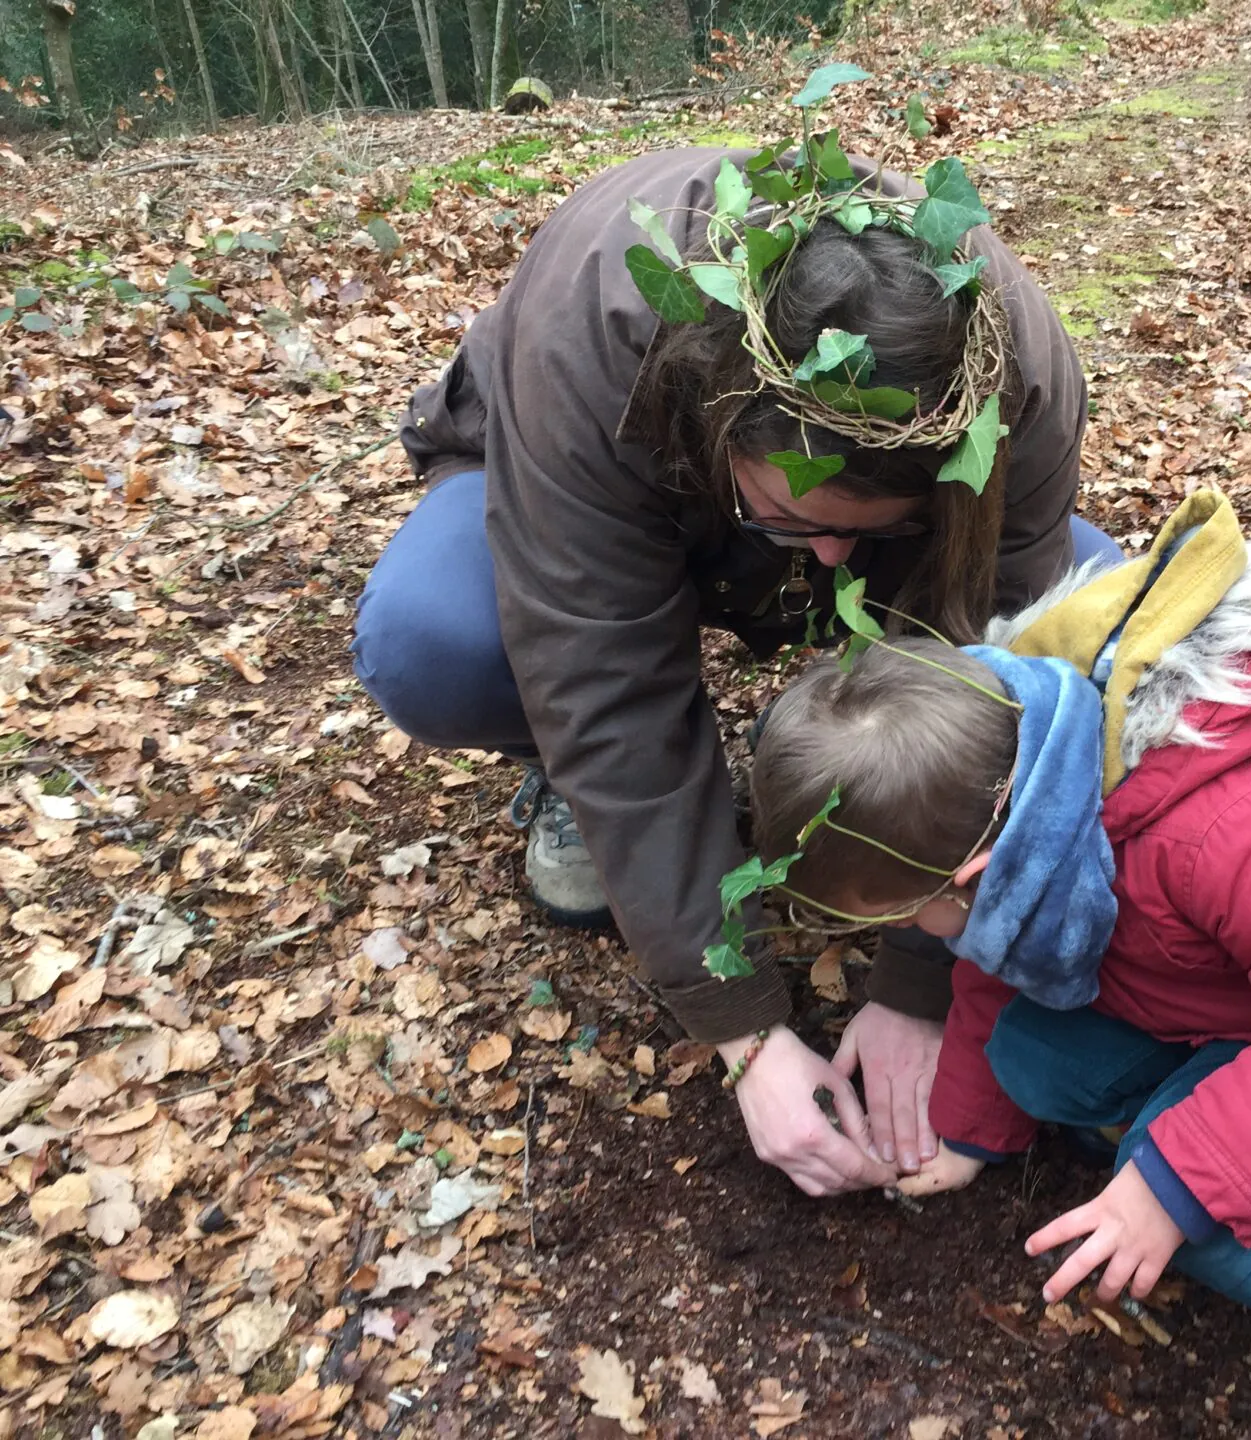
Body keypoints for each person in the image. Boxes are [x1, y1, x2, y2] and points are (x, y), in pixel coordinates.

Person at [350, 138, 1123, 1198]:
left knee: (1099, 613)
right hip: (579, 457)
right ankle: (571, 787)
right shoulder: (595, 343)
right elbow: (604, 681)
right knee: (435, 640)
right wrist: (747, 1034)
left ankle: (837, 744)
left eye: (869, 530)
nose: (838, 560)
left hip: (873, 499)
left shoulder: (1014, 373)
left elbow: (994, 657)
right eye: (799, 519)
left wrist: (923, 977)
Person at [747, 492, 1251, 1438]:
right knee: (1027, 1062)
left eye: (899, 912)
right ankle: (1186, 1126)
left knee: (1198, 1209)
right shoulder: (1007, 788)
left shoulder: (1237, 827)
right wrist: (967, 1130)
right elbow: (986, 958)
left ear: (974, 874)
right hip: (1204, 992)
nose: (915, 930)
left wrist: (1171, 1183)